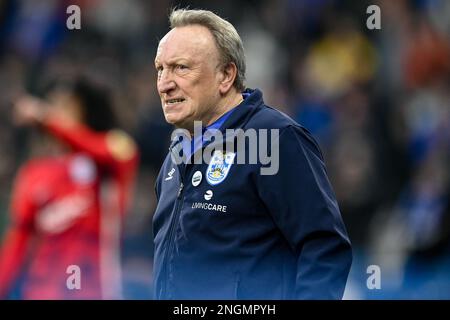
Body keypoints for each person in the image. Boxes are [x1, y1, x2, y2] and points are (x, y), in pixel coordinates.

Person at [152, 9, 352, 299]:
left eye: (181, 67)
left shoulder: (275, 138)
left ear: (226, 75)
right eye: (160, 69)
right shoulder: (174, 157)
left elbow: (324, 248)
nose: (164, 83)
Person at [0, 78, 139, 299]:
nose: (57, 115)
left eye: (65, 108)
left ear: (85, 112)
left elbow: (102, 149)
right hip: (42, 291)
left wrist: (44, 118)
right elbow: (18, 243)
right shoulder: (34, 173)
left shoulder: (114, 150)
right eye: (53, 108)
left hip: (93, 290)